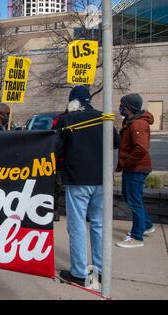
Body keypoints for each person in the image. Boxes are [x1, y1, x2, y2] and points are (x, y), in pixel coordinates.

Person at [55, 86, 120, 287]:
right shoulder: (104, 117)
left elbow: (56, 149)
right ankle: (101, 270)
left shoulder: (68, 120)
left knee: (77, 226)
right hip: (102, 180)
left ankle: (79, 272)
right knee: (99, 225)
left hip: (78, 180)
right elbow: (116, 142)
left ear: (72, 102)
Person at [116, 94, 154, 248]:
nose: (120, 108)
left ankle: (137, 237)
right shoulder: (131, 121)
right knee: (129, 197)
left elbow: (141, 148)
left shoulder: (138, 124)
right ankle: (146, 225)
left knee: (134, 201)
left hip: (137, 168)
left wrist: (127, 161)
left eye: (122, 105)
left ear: (130, 107)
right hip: (133, 168)